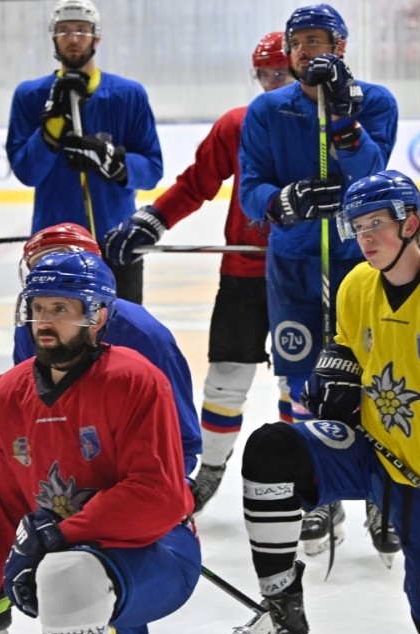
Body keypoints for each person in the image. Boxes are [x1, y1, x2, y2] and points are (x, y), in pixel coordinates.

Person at [196, 171, 420, 634]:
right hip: (370, 453)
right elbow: (350, 348)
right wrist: (334, 374)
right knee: (272, 448)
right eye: (357, 226)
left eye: (376, 223)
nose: (365, 237)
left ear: (411, 223)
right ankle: (283, 610)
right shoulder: (357, 283)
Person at [0, 251, 200, 634]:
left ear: (98, 316)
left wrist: (58, 534)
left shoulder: (135, 380)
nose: (45, 321)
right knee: (68, 573)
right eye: (38, 308)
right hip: (69, 549)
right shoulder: (10, 392)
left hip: (158, 548)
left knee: (69, 575)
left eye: (61, 309)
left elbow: (158, 495)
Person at [102, 32, 293, 514]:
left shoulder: (324, 127)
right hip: (244, 273)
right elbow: (197, 183)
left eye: (282, 73)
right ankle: (210, 468)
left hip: (304, 273)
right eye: (265, 74)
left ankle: (304, 468)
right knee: (225, 377)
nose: (273, 82)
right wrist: (154, 219)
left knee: (299, 382)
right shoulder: (238, 124)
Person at [238, 4, 399, 554]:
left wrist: (345, 121)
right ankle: (315, 489)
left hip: (362, 265)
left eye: (317, 40)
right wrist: (285, 201)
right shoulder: (267, 110)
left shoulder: (375, 102)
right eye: (298, 42)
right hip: (293, 268)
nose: (307, 50)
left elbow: (373, 174)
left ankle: (381, 488)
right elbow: (250, 190)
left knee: (374, 377)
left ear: (340, 47)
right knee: (300, 380)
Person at [5, 0, 162, 304]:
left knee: (122, 328)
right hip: (53, 243)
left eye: (81, 30)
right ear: (53, 38)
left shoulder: (128, 95)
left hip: (118, 241)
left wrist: (115, 162)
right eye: (64, 30)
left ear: (96, 37)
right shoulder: (30, 95)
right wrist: (51, 128)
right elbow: (27, 171)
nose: (73, 38)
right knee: (53, 329)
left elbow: (152, 170)